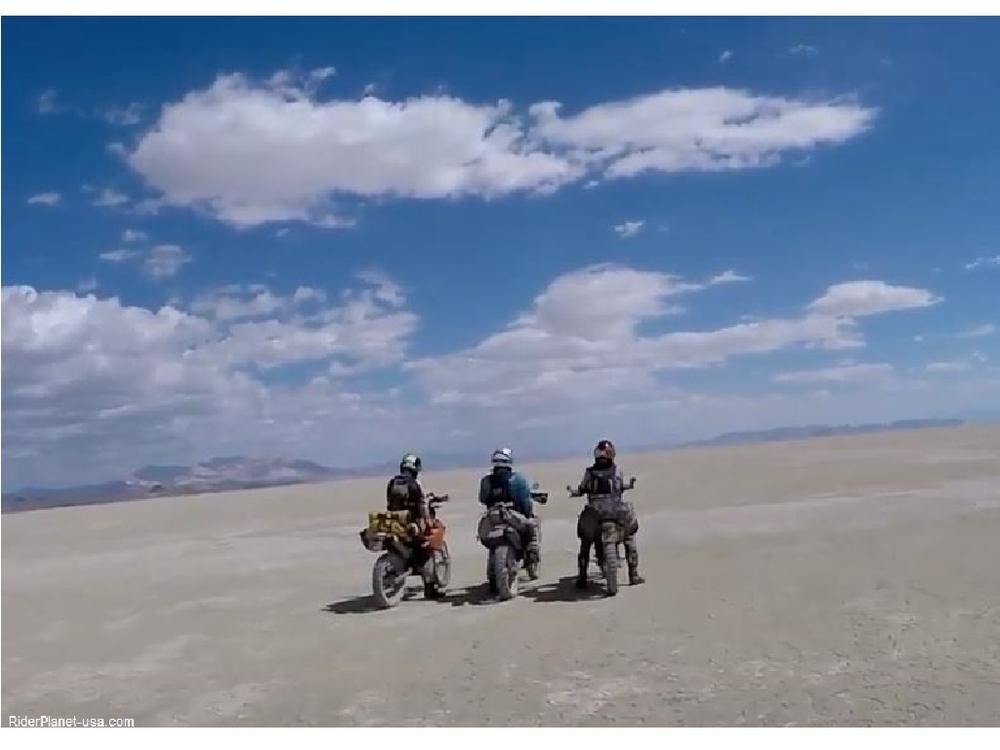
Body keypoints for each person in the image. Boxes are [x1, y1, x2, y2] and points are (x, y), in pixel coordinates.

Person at [573, 439, 643, 589]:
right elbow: (619, 487)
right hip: (616, 511)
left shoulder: (589, 472)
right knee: (629, 536)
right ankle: (633, 574)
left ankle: (582, 576)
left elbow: (582, 488)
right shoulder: (617, 471)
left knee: (585, 541)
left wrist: (576, 492)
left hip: (594, 512)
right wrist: (628, 486)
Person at [478, 447, 540, 563]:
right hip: (511, 516)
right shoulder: (518, 479)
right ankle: (531, 553)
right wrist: (527, 514)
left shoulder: (486, 480)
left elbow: (482, 499)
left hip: (491, 517)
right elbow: (525, 502)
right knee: (532, 525)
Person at [386, 453, 430, 536]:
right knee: (429, 532)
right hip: (411, 523)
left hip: (394, 522)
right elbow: (422, 505)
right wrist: (427, 521)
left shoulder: (392, 482)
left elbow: (389, 502)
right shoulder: (415, 484)